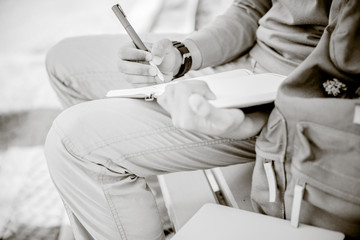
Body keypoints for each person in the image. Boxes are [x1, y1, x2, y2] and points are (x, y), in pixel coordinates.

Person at [44, 0, 360, 239]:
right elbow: (254, 7)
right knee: (64, 60)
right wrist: (184, 55)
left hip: (288, 99)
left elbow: (342, 77)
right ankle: (138, 207)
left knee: (74, 142)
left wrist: (258, 114)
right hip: (244, 63)